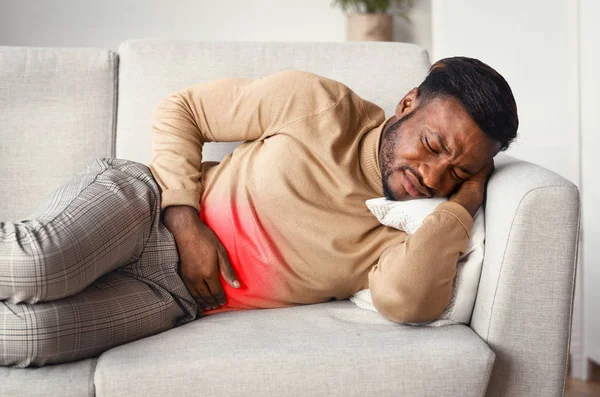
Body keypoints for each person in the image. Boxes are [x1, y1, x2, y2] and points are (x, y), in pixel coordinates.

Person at [0, 56, 518, 368]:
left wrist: (464, 204)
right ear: (407, 104)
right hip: (148, 206)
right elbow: (182, 108)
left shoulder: (407, 225)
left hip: (178, 296)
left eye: (458, 171)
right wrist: (185, 220)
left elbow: (407, 302)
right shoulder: (320, 103)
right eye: (431, 144)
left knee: (29, 336)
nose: (431, 175)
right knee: (35, 264)